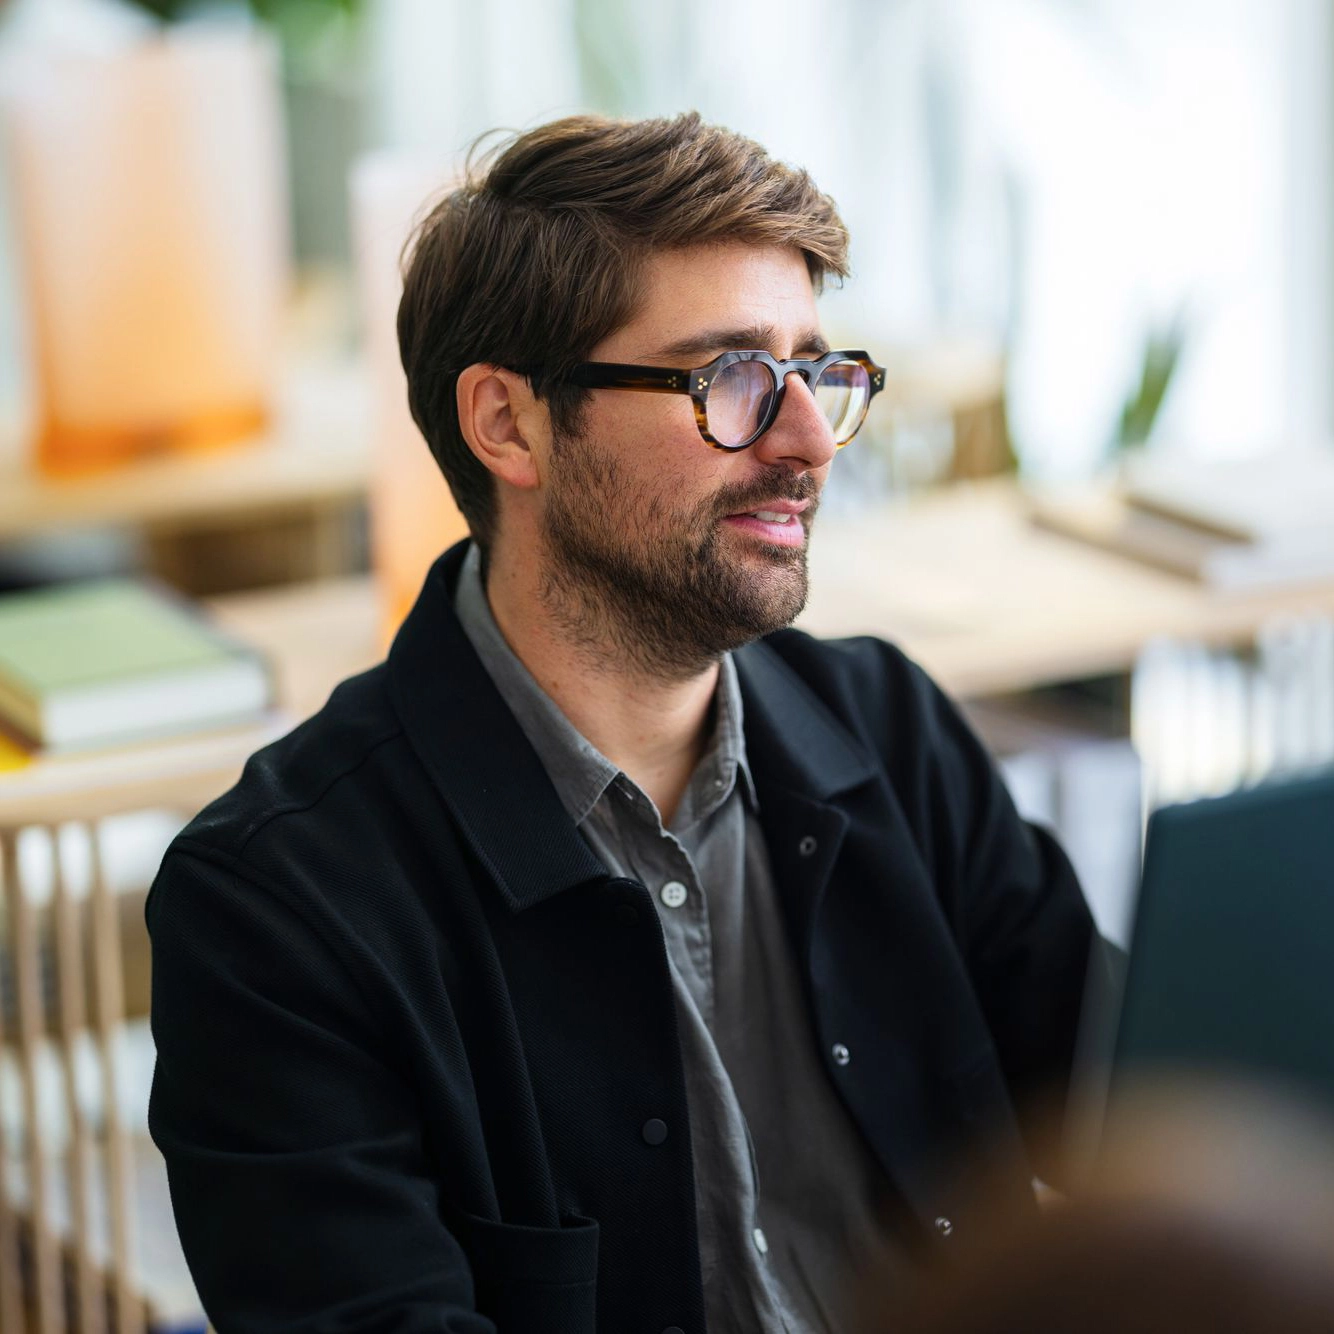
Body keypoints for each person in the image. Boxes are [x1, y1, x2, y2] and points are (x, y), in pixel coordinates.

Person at [147, 112, 1102, 1334]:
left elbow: (1144, 1094)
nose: (809, 439)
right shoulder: (276, 905)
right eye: (734, 379)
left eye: (816, 370)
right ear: (509, 423)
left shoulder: (887, 729)